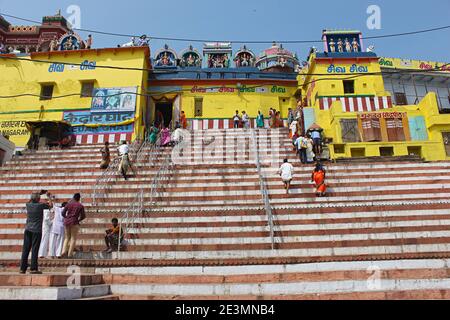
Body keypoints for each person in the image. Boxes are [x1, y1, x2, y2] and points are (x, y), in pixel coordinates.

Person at [20, 192, 53, 274]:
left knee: (25, 249)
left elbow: (29, 200)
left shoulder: (28, 205)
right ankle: (33, 268)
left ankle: (22, 268)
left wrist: (38, 194)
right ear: (38, 199)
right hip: (36, 230)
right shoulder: (41, 205)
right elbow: (51, 205)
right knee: (35, 249)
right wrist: (49, 197)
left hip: (28, 229)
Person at [60, 193, 86, 259]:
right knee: (73, 238)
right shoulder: (80, 206)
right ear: (79, 199)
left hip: (67, 222)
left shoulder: (68, 204)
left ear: (73, 198)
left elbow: (63, 213)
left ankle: (63, 252)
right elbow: (83, 216)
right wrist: (78, 220)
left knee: (67, 238)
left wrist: (66, 217)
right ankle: (70, 254)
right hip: (74, 222)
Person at [38, 191, 55, 259]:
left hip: (49, 226)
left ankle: (50, 254)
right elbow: (47, 220)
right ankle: (42, 254)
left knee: (50, 239)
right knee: (45, 239)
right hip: (46, 227)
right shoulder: (45, 210)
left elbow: (51, 205)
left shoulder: (50, 210)